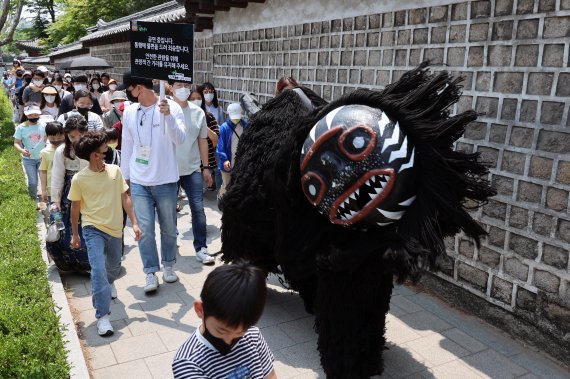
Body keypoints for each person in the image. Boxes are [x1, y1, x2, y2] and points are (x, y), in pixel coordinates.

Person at [69, 130, 141, 336]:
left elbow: (125, 198)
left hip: (115, 229)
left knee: (113, 267)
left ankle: (108, 284)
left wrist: (134, 223)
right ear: (95, 154)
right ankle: (103, 316)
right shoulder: (79, 179)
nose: (107, 150)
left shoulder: (115, 171)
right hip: (92, 229)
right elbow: (75, 208)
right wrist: (75, 234)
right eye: (103, 148)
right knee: (98, 270)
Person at [120, 71, 186, 293]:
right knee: (145, 228)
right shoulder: (129, 112)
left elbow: (180, 139)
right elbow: (127, 145)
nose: (128, 93)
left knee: (168, 227)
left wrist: (167, 116)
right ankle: (150, 271)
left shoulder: (171, 107)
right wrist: (125, 178)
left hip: (166, 179)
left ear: (139, 87)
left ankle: (168, 265)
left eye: (128, 89)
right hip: (139, 180)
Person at [172, 261, 276, 379]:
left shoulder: (253, 336)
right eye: (221, 331)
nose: (228, 341)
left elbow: (270, 376)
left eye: (239, 333)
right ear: (200, 309)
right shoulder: (188, 363)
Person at [169, 80, 214, 265]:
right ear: (170, 88)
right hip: (168, 171)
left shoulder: (198, 112)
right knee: (169, 211)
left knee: (198, 208)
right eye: (178, 85)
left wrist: (206, 168)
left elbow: (203, 141)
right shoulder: (164, 109)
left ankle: (201, 248)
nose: (183, 89)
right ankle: (170, 246)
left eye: (186, 85)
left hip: (193, 168)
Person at [190, 87, 221, 191]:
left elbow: (216, 137)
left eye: (198, 98)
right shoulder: (182, 116)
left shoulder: (209, 117)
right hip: (188, 163)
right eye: (192, 98)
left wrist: (203, 124)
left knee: (199, 196)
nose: (196, 101)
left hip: (205, 163)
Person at [13, 104, 47, 201]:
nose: (33, 117)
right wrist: (22, 150)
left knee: (45, 180)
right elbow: (16, 143)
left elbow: (47, 139)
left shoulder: (44, 125)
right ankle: (32, 199)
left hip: (42, 158)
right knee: (32, 182)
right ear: (26, 115)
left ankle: (45, 198)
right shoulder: (21, 127)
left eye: (35, 115)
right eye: (31, 115)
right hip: (28, 160)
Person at [216, 103, 247, 199]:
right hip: (228, 162)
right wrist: (224, 159)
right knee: (226, 185)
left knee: (240, 184)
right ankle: (222, 200)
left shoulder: (246, 126)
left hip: (241, 162)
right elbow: (220, 146)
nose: (236, 119)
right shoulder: (224, 127)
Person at [39, 121, 65, 203]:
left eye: (60, 137)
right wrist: (43, 190)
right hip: (52, 189)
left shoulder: (68, 150)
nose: (56, 140)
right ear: (47, 137)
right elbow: (43, 171)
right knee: (55, 213)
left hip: (67, 186)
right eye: (53, 138)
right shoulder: (44, 152)